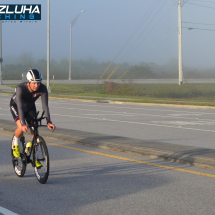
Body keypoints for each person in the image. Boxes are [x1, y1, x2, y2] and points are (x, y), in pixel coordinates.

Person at [9, 69, 56, 168]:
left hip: (30, 107)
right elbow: (20, 107)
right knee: (21, 128)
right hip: (16, 106)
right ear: (28, 82)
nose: (36, 85)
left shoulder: (43, 89)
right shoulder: (20, 88)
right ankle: (15, 143)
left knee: (35, 131)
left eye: (38, 83)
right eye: (34, 83)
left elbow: (45, 106)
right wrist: (23, 123)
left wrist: (48, 121)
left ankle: (35, 157)